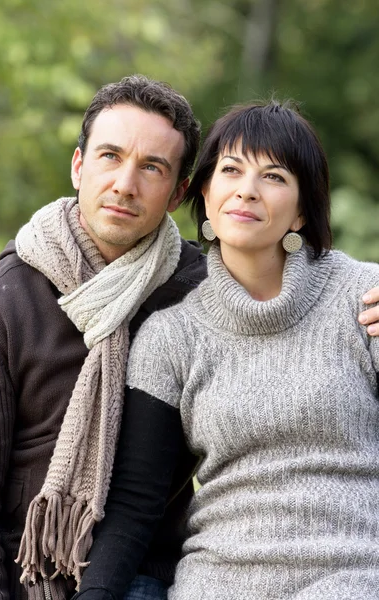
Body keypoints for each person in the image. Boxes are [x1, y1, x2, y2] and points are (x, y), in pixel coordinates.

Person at [74, 100, 379, 600]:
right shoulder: (171, 335)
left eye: (274, 177)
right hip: (215, 582)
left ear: (302, 209)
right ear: (205, 193)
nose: (247, 191)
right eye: (231, 170)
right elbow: (135, 503)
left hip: (354, 575)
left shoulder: (363, 298)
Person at [0, 74, 206, 600]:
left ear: (177, 194)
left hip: (155, 575)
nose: (125, 184)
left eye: (152, 167)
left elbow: (297, 295)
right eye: (110, 156)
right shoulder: (1, 300)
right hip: (27, 576)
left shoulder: (201, 291)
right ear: (78, 165)